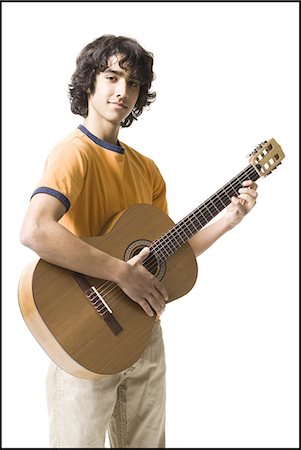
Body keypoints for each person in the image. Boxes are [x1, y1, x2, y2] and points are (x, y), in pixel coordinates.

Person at [20, 34, 258, 448]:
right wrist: (120, 272)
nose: (122, 91)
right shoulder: (73, 154)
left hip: (142, 333)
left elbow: (165, 255)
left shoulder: (147, 170)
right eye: (112, 77)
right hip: (84, 334)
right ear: (89, 83)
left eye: (133, 84)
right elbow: (35, 230)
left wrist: (229, 220)